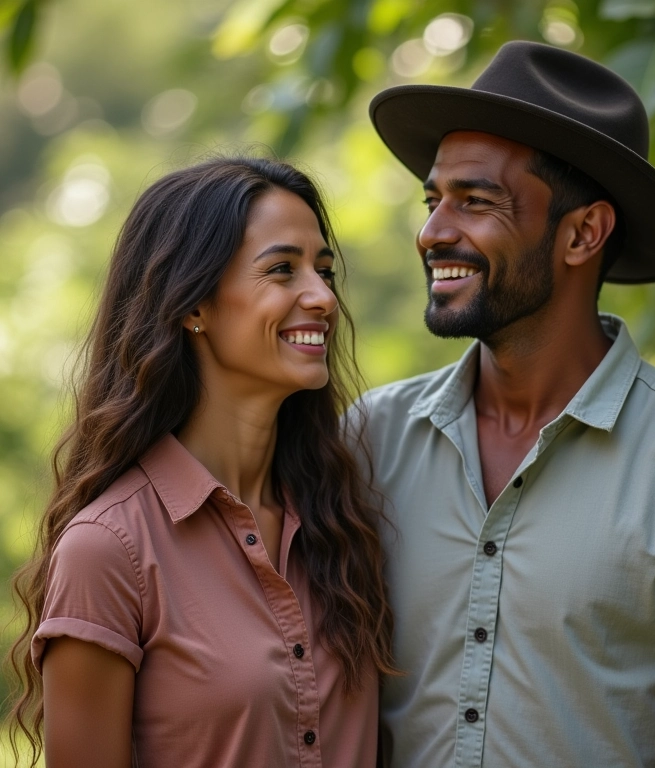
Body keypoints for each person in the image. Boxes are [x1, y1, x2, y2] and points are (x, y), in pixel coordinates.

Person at [361, 41, 655, 767]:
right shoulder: (368, 439)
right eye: (433, 201)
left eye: (475, 201)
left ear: (583, 233)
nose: (432, 232)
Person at [7, 156, 395, 768]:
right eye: (282, 269)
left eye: (324, 271)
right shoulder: (108, 550)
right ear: (194, 306)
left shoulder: (341, 521)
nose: (323, 297)